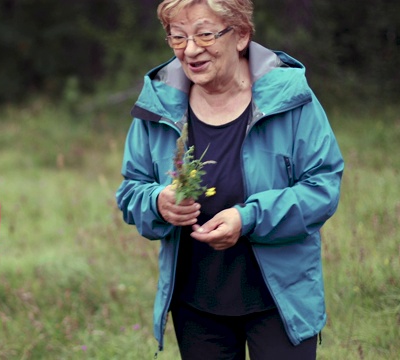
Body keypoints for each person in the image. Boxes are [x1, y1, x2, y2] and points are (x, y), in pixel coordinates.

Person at [115, 0, 344, 359]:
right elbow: (131, 190)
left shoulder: (291, 99)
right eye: (178, 37)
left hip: (280, 301)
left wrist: (248, 217)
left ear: (240, 36)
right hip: (197, 305)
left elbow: (323, 188)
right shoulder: (158, 105)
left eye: (204, 34)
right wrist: (158, 202)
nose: (190, 50)